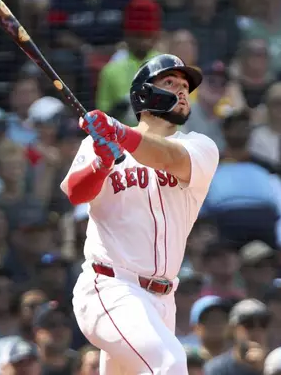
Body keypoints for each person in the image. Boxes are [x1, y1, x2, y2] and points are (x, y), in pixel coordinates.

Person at [61, 54, 219, 374]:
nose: (182, 91)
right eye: (171, 82)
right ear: (143, 94)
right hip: (111, 286)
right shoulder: (101, 143)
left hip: (163, 299)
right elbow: (77, 194)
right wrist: (101, 163)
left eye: (186, 86)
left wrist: (120, 133)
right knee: (170, 363)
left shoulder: (200, 146)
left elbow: (166, 157)